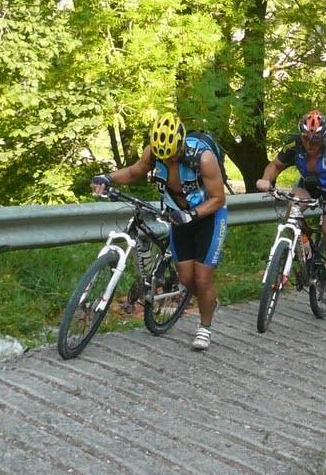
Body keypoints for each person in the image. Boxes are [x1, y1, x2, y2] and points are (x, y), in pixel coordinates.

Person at [92, 113, 228, 351]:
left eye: (173, 155)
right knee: (186, 279)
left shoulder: (203, 158)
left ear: (181, 145)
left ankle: (205, 327)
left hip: (208, 217)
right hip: (178, 217)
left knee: (202, 278)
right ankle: (207, 300)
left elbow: (218, 198)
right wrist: (108, 178)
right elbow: (134, 172)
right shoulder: (153, 152)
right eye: (164, 157)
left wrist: (192, 214)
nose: (169, 160)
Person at [256, 111, 326, 285]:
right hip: (309, 186)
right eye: (305, 138)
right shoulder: (294, 144)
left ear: (323, 137)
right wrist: (266, 179)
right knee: (292, 210)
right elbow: (275, 165)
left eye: (315, 140)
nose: (309, 144)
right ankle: (302, 248)